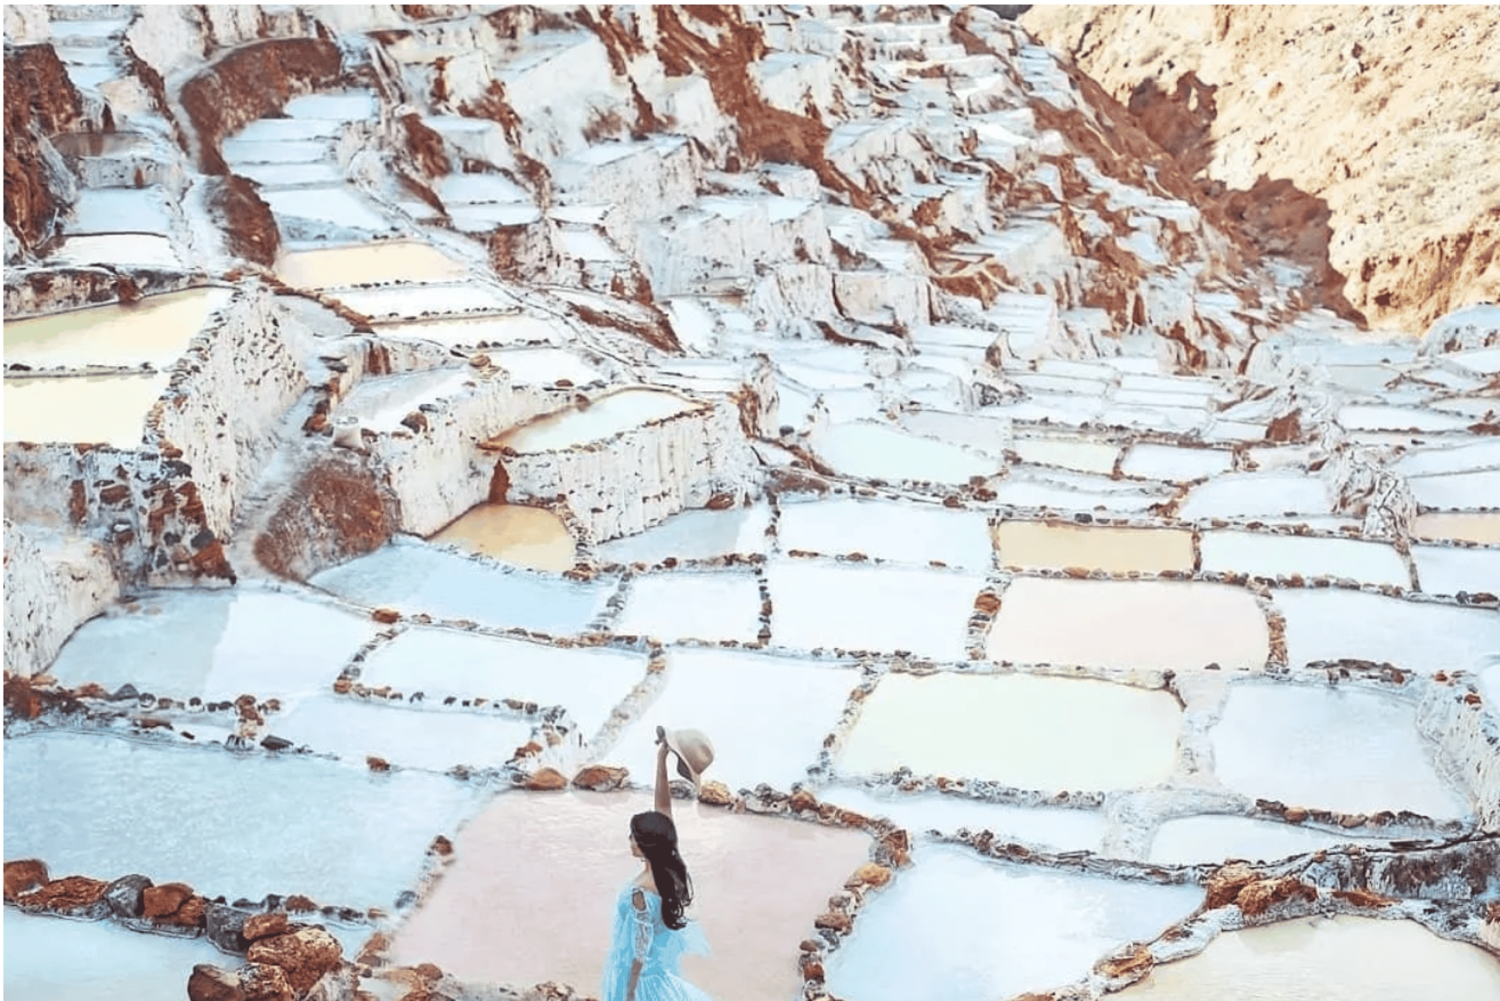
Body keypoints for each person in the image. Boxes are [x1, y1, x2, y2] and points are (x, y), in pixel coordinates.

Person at [600, 727, 715, 1001]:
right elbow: (663, 809)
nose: (629, 840)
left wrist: (628, 994)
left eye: (634, 837)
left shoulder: (639, 893)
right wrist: (662, 758)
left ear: (646, 846)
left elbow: (638, 953)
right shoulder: (670, 867)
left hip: (640, 985)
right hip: (659, 975)